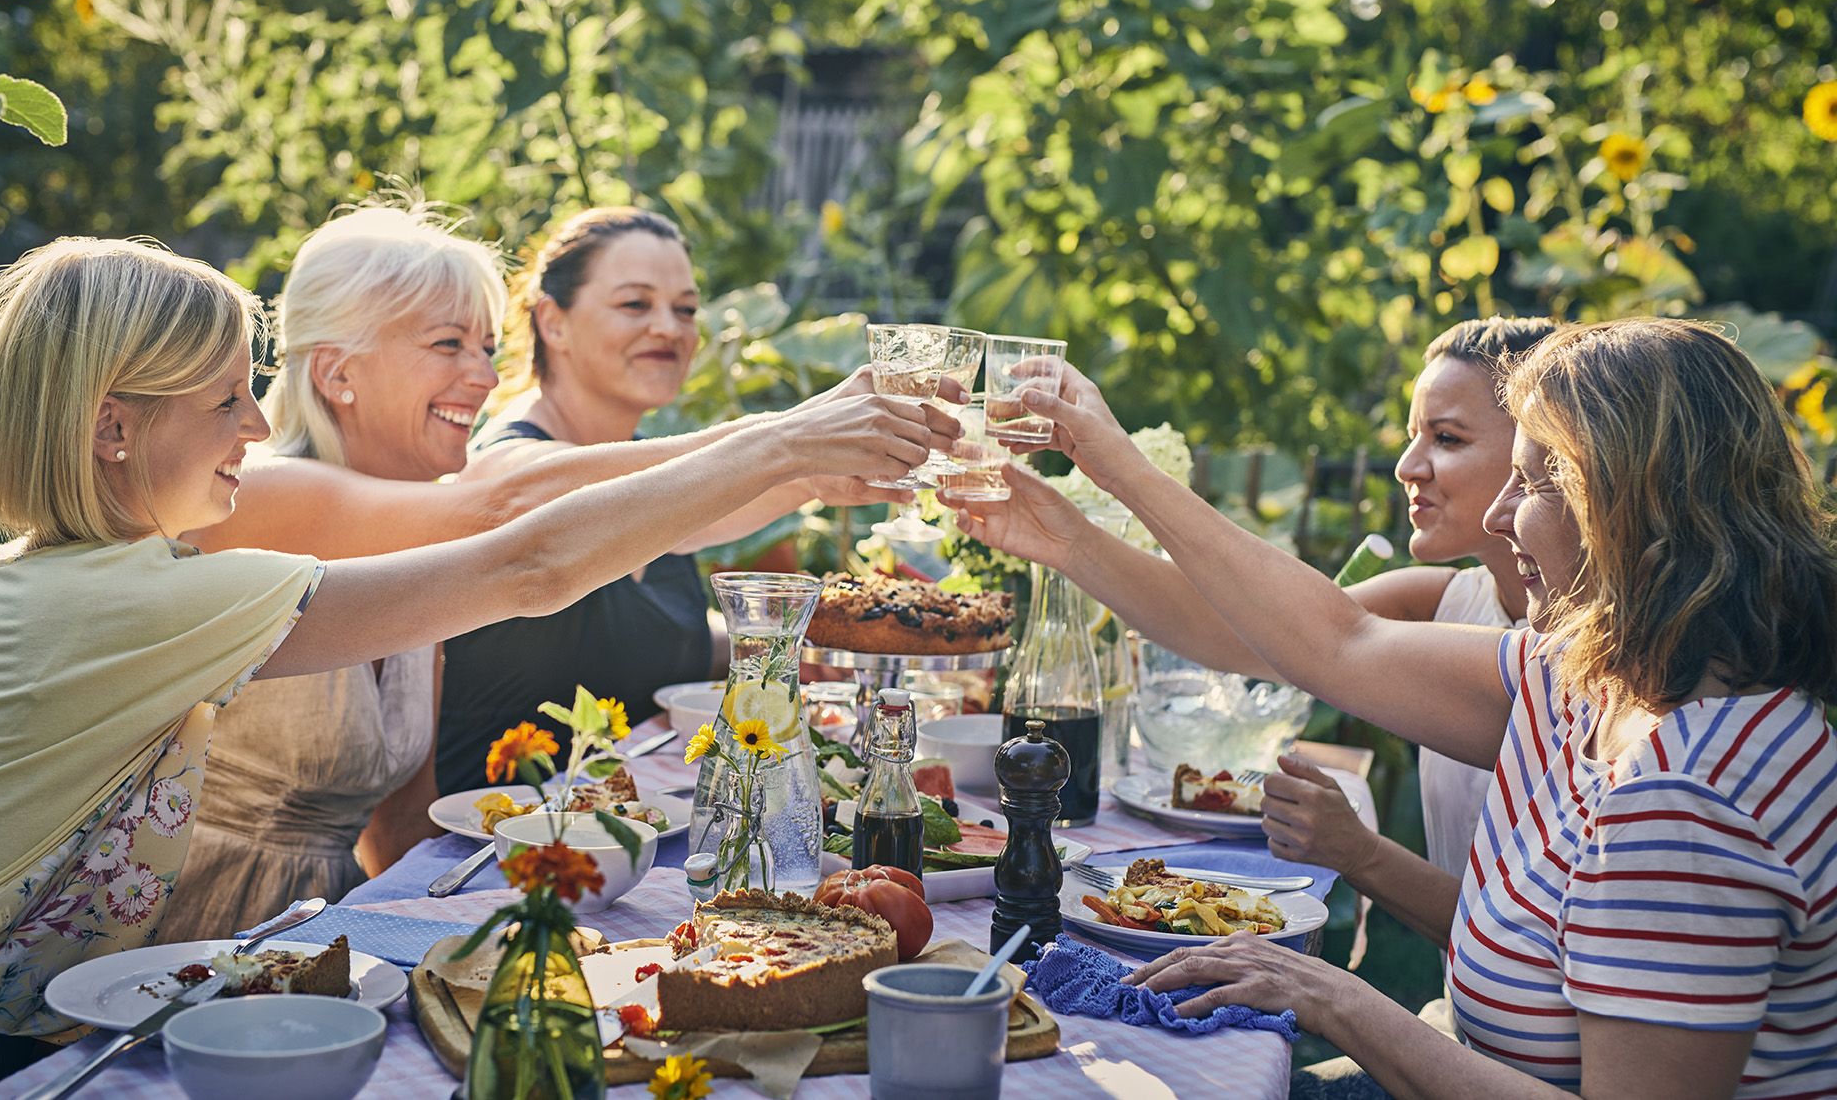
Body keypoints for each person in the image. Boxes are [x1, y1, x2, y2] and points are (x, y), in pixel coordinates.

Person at [0, 237, 953, 1097]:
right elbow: (526, 559)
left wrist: (798, 460)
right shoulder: (138, 598)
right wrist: (787, 442)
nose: (253, 426)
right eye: (225, 399)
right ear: (111, 429)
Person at [948, 319, 1837, 1098]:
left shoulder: (1683, 799)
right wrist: (1090, 497)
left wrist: (1334, 997)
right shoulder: (1586, 678)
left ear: (1630, 508)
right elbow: (1336, 641)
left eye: (1534, 483)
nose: (1500, 516)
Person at [959, 318, 1549, 962]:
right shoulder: (1445, 600)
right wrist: (1069, 541)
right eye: (1413, 435)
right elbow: (1238, 630)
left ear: (1547, 451)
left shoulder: (1578, 661)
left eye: (1447, 438)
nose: (1408, 466)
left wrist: (1363, 855)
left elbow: (1332, 642)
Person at [431, 207, 886, 792]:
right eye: (635, 304)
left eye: (686, 309)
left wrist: (815, 646)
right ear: (553, 322)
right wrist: (797, 442)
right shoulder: (503, 460)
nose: (669, 328)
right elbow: (573, 501)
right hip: (489, 837)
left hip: (635, 829)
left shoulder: (668, 472)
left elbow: (653, 637)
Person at [153, 203, 507, 942]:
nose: (487, 375)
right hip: (182, 934)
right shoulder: (255, 495)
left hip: (325, 937)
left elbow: (402, 827)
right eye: (449, 344)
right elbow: (514, 516)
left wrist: (458, 942)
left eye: (488, 347)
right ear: (337, 371)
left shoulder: (418, 535)